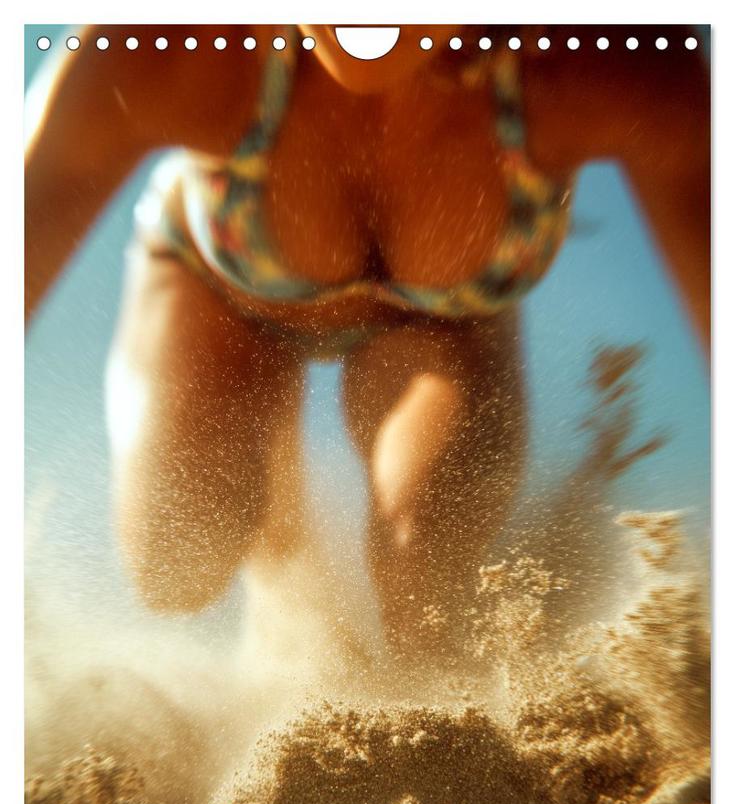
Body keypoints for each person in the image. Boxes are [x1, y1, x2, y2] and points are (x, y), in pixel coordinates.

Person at [25, 25, 709, 660]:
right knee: (179, 561)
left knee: (427, 590)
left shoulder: (606, 64)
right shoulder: (173, 48)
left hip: (440, 320)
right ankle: (274, 497)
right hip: (220, 282)